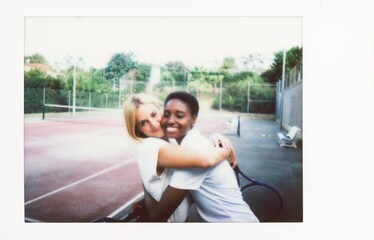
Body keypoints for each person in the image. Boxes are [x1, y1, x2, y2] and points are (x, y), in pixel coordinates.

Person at [144, 91, 259, 222]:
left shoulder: (192, 155)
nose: (171, 120)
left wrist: (146, 181)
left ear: (193, 119)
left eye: (179, 115)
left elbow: (157, 217)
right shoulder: (194, 145)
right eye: (167, 114)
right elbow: (190, 195)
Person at [123, 93, 236, 222]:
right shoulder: (151, 145)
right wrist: (227, 151)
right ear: (138, 130)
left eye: (154, 114)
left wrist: (215, 137)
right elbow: (206, 160)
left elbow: (187, 191)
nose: (154, 124)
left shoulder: (173, 143)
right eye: (143, 123)